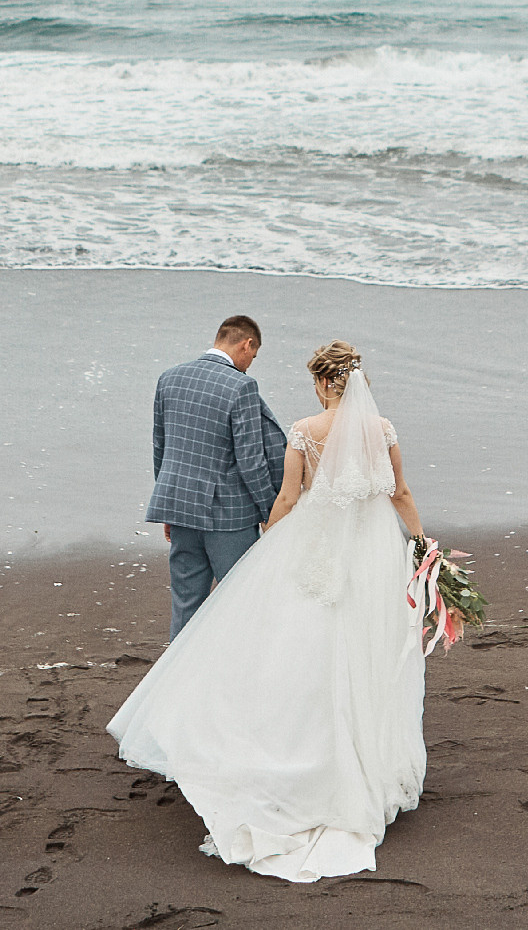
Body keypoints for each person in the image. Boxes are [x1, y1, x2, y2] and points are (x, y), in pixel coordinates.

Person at [109, 339, 429, 882]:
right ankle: (367, 764)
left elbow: (288, 497)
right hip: (374, 557)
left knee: (301, 647)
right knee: (367, 648)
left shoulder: (305, 430)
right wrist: (422, 545)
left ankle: (301, 754)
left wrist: (267, 540)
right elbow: (399, 493)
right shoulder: (384, 429)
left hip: (317, 549)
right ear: (356, 383)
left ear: (323, 384)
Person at [145, 314, 288, 639]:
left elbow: (161, 448)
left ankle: (177, 683)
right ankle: (239, 678)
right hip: (230, 519)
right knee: (244, 602)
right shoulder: (242, 385)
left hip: (181, 511)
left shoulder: (169, 378)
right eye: (253, 354)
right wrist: (270, 513)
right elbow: (250, 460)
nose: (250, 363)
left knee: (185, 605)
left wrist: (170, 508)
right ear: (246, 343)